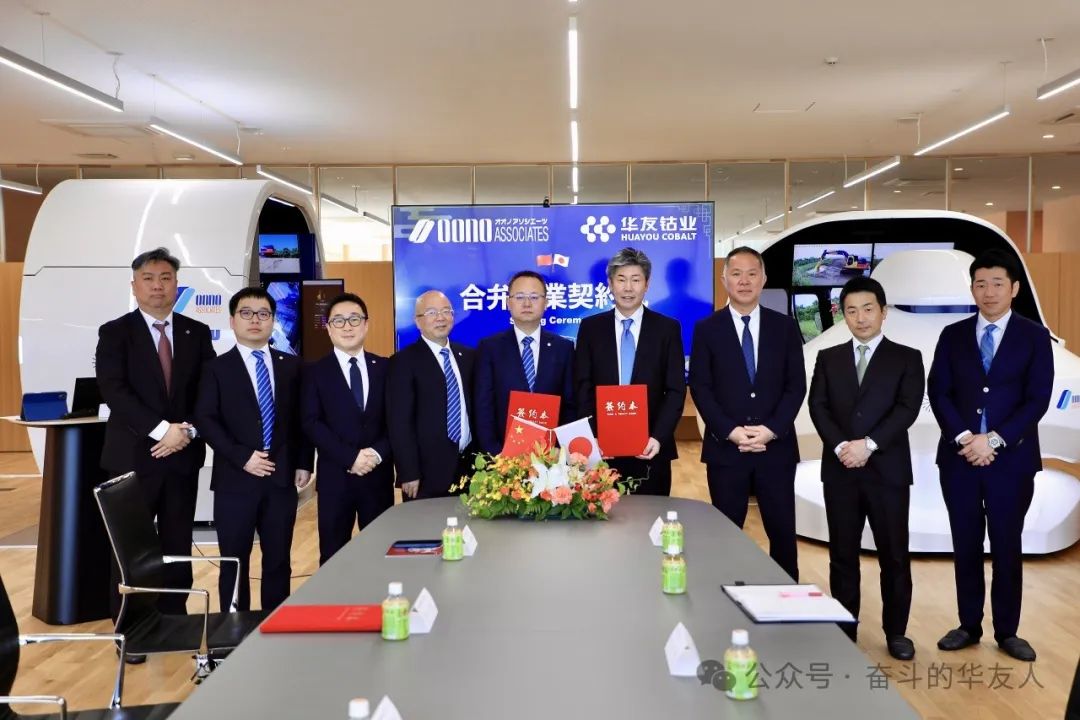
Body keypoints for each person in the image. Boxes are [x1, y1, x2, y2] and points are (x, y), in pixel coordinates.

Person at [928, 248, 1053, 662]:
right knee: (965, 543)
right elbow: (939, 392)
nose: (989, 292)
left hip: (1011, 462)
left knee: (1006, 545)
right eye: (980, 284)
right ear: (972, 289)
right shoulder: (952, 335)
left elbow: (1037, 399)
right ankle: (968, 625)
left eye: (997, 283)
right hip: (959, 460)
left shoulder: (1034, 336)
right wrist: (967, 438)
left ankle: (1007, 631)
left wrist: (994, 440)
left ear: (1014, 288)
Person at [95, 247, 215, 624]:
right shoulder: (115, 332)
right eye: (148, 279)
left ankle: (175, 621)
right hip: (132, 459)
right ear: (134, 286)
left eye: (165, 278)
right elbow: (114, 391)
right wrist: (164, 430)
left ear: (177, 285)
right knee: (130, 548)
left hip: (182, 457)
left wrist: (187, 430)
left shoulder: (196, 333)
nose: (157, 286)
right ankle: (130, 629)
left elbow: (209, 391)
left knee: (178, 544)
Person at [808, 276, 923, 660]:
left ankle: (897, 633)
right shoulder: (829, 358)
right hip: (840, 469)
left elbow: (907, 409)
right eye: (852, 310)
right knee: (842, 555)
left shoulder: (907, 357)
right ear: (843, 314)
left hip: (887, 471)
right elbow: (818, 407)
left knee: (894, 555)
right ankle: (845, 630)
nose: (860, 318)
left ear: (883, 312)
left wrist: (869, 445)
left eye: (868, 309)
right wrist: (842, 446)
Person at [688, 246, 805, 580]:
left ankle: (787, 596)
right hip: (727, 451)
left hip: (776, 450)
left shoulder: (785, 328)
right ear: (724, 279)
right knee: (725, 534)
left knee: (783, 533)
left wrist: (771, 429)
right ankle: (724, 597)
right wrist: (731, 431)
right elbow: (701, 387)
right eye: (736, 274)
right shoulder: (707, 329)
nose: (744, 281)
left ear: (763, 279)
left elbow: (795, 386)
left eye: (752, 273)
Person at [195, 287, 312, 612]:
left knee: (279, 559)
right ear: (233, 321)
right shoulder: (216, 369)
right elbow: (205, 419)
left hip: (280, 479)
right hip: (234, 481)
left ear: (273, 320)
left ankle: (275, 624)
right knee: (234, 562)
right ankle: (233, 631)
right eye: (246, 313)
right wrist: (242, 456)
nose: (255, 320)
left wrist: (304, 462)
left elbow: (302, 420)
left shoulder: (293, 366)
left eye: (263, 314)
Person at [574, 248, 685, 496]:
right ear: (610, 284)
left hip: (651, 449)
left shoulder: (667, 329)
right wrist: (592, 437)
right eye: (621, 279)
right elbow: (583, 386)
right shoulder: (591, 328)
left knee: (651, 517)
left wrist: (658, 437)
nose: (628, 288)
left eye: (635, 280)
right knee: (601, 517)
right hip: (602, 451)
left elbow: (675, 390)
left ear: (647, 284)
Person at [302, 292, 394, 565]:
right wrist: (351, 457)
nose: (347, 326)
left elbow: (396, 420)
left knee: (382, 554)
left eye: (354, 319)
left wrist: (376, 453)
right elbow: (311, 422)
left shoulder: (385, 367)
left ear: (366, 324)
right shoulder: (314, 372)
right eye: (339, 321)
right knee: (333, 556)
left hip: (378, 477)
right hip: (336, 479)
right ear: (328, 328)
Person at [473, 270, 576, 454]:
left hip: (552, 456)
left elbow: (570, 405)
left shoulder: (563, 348)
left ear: (546, 302)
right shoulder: (490, 348)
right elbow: (483, 406)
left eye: (534, 297)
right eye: (519, 297)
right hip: (503, 457)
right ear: (508, 302)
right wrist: (497, 454)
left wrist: (560, 452)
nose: (527, 303)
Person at [388, 290, 476, 499]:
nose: (440, 318)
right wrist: (409, 471)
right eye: (431, 312)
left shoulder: (469, 356)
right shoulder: (403, 362)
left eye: (446, 311)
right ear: (417, 321)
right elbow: (399, 423)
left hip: (469, 469)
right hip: (425, 474)